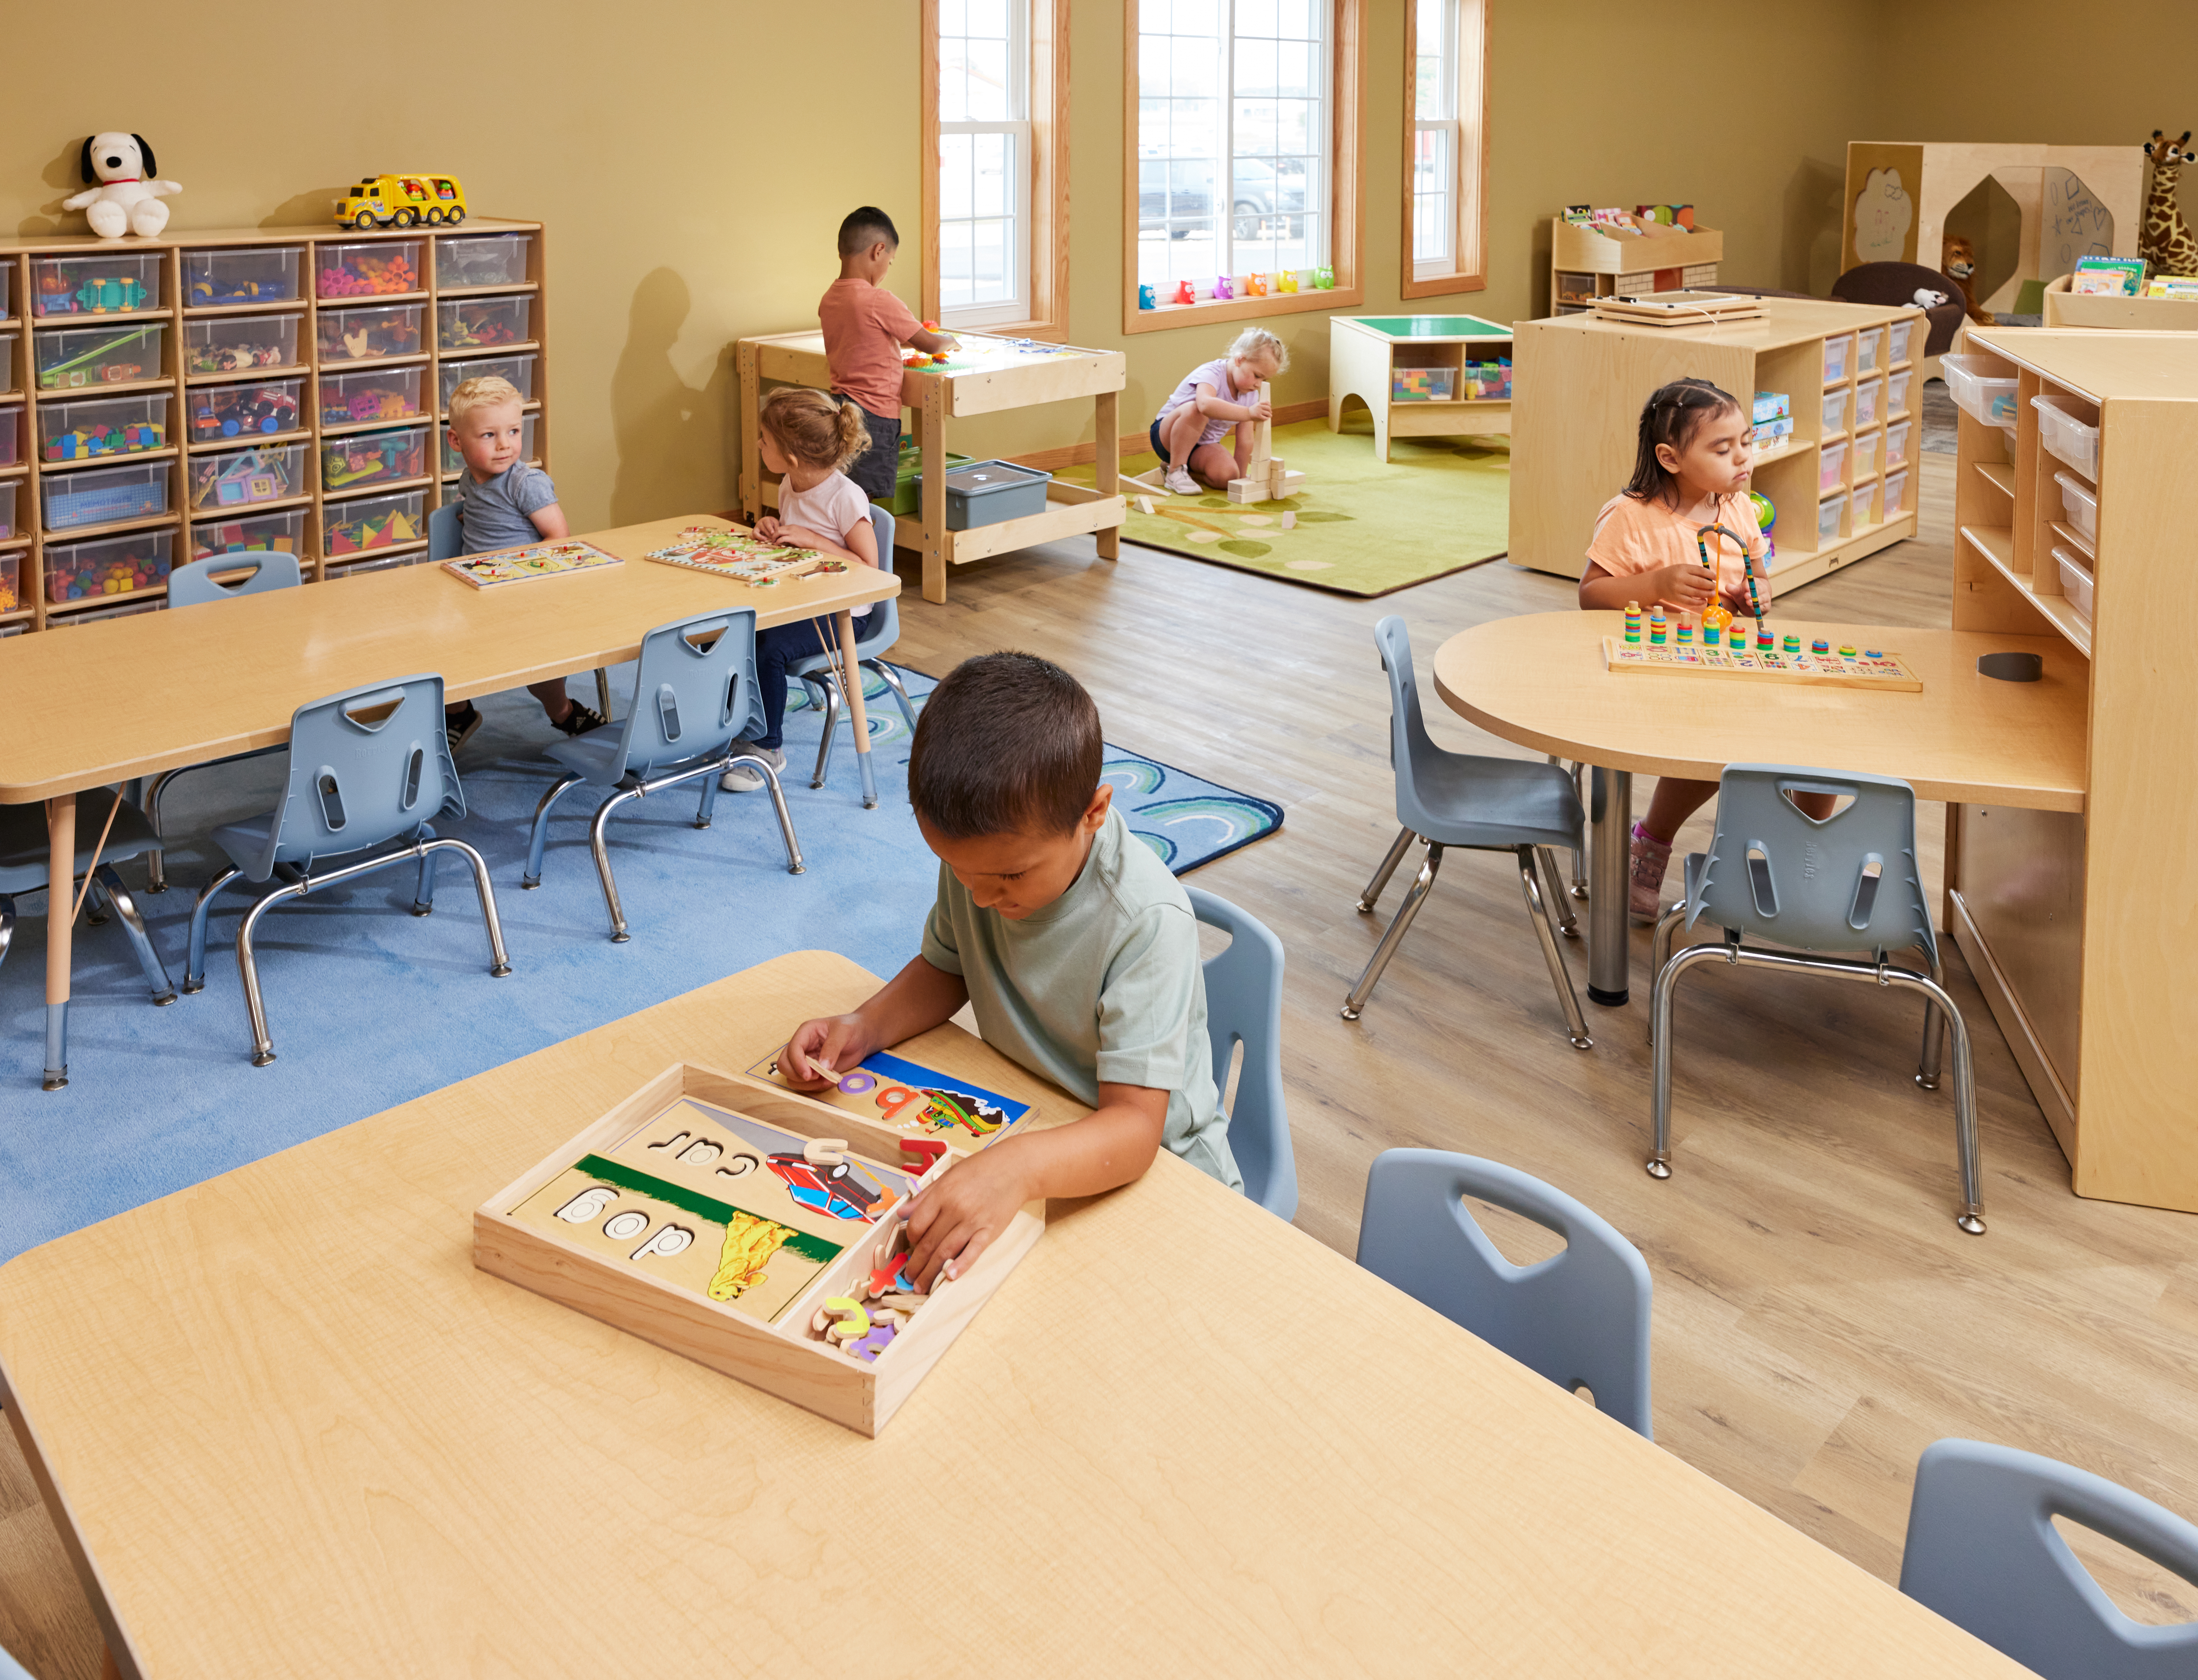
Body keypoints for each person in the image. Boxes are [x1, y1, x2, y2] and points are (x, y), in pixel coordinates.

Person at [781, 652, 1241, 1290]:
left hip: (1158, 1173)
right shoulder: (984, 859)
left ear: (1094, 811)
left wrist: (1016, 1168)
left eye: (1007, 878)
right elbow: (948, 969)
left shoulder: (1147, 921)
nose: (979, 899)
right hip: (1038, 1122)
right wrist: (863, 1027)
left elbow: (1136, 1128)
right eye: (959, 872)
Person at [1578, 377, 1824, 920]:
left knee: (1815, 737)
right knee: (1718, 736)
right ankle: (1650, 841)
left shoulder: (1737, 510)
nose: (1743, 458)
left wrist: (1751, 596)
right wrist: (1655, 587)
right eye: (1722, 448)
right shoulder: (1630, 517)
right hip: (1654, 671)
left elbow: (1759, 582)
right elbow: (1590, 595)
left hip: (1724, 661)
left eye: (1745, 442)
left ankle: (1807, 855)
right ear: (1669, 457)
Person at [721, 387, 883, 793]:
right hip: (799, 599)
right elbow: (791, 534)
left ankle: (767, 747)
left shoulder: (846, 497)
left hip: (845, 615)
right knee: (734, 630)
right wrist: (771, 529)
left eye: (764, 439)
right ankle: (737, 723)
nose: (758, 444)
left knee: (769, 649)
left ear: (790, 455)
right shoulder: (788, 483)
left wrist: (815, 541)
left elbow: (869, 569)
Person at [439, 375, 606, 753]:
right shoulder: (470, 479)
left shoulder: (526, 483)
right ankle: (460, 712)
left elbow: (559, 540)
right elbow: (487, 514)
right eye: (489, 435)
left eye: (513, 432)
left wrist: (518, 574)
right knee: (445, 649)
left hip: (525, 595)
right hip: (479, 590)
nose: (505, 445)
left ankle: (564, 712)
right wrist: (477, 520)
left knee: (540, 675)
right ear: (456, 442)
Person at [818, 206, 959, 502]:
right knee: (866, 501)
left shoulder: (830, 298)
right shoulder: (879, 300)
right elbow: (931, 345)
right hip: (876, 417)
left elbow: (865, 336)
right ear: (879, 251)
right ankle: (867, 548)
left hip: (842, 410)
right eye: (890, 262)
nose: (887, 269)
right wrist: (950, 339)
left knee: (845, 495)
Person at [1150, 327, 1286, 496]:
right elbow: (1205, 405)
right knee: (1197, 410)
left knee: (1228, 476)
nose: (1259, 384)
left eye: (1264, 380)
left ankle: (1178, 470)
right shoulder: (1212, 373)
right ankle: (1176, 470)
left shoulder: (1250, 395)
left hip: (1203, 447)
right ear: (1240, 360)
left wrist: (1240, 479)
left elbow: (1245, 440)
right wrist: (1249, 413)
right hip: (1168, 437)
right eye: (1257, 376)